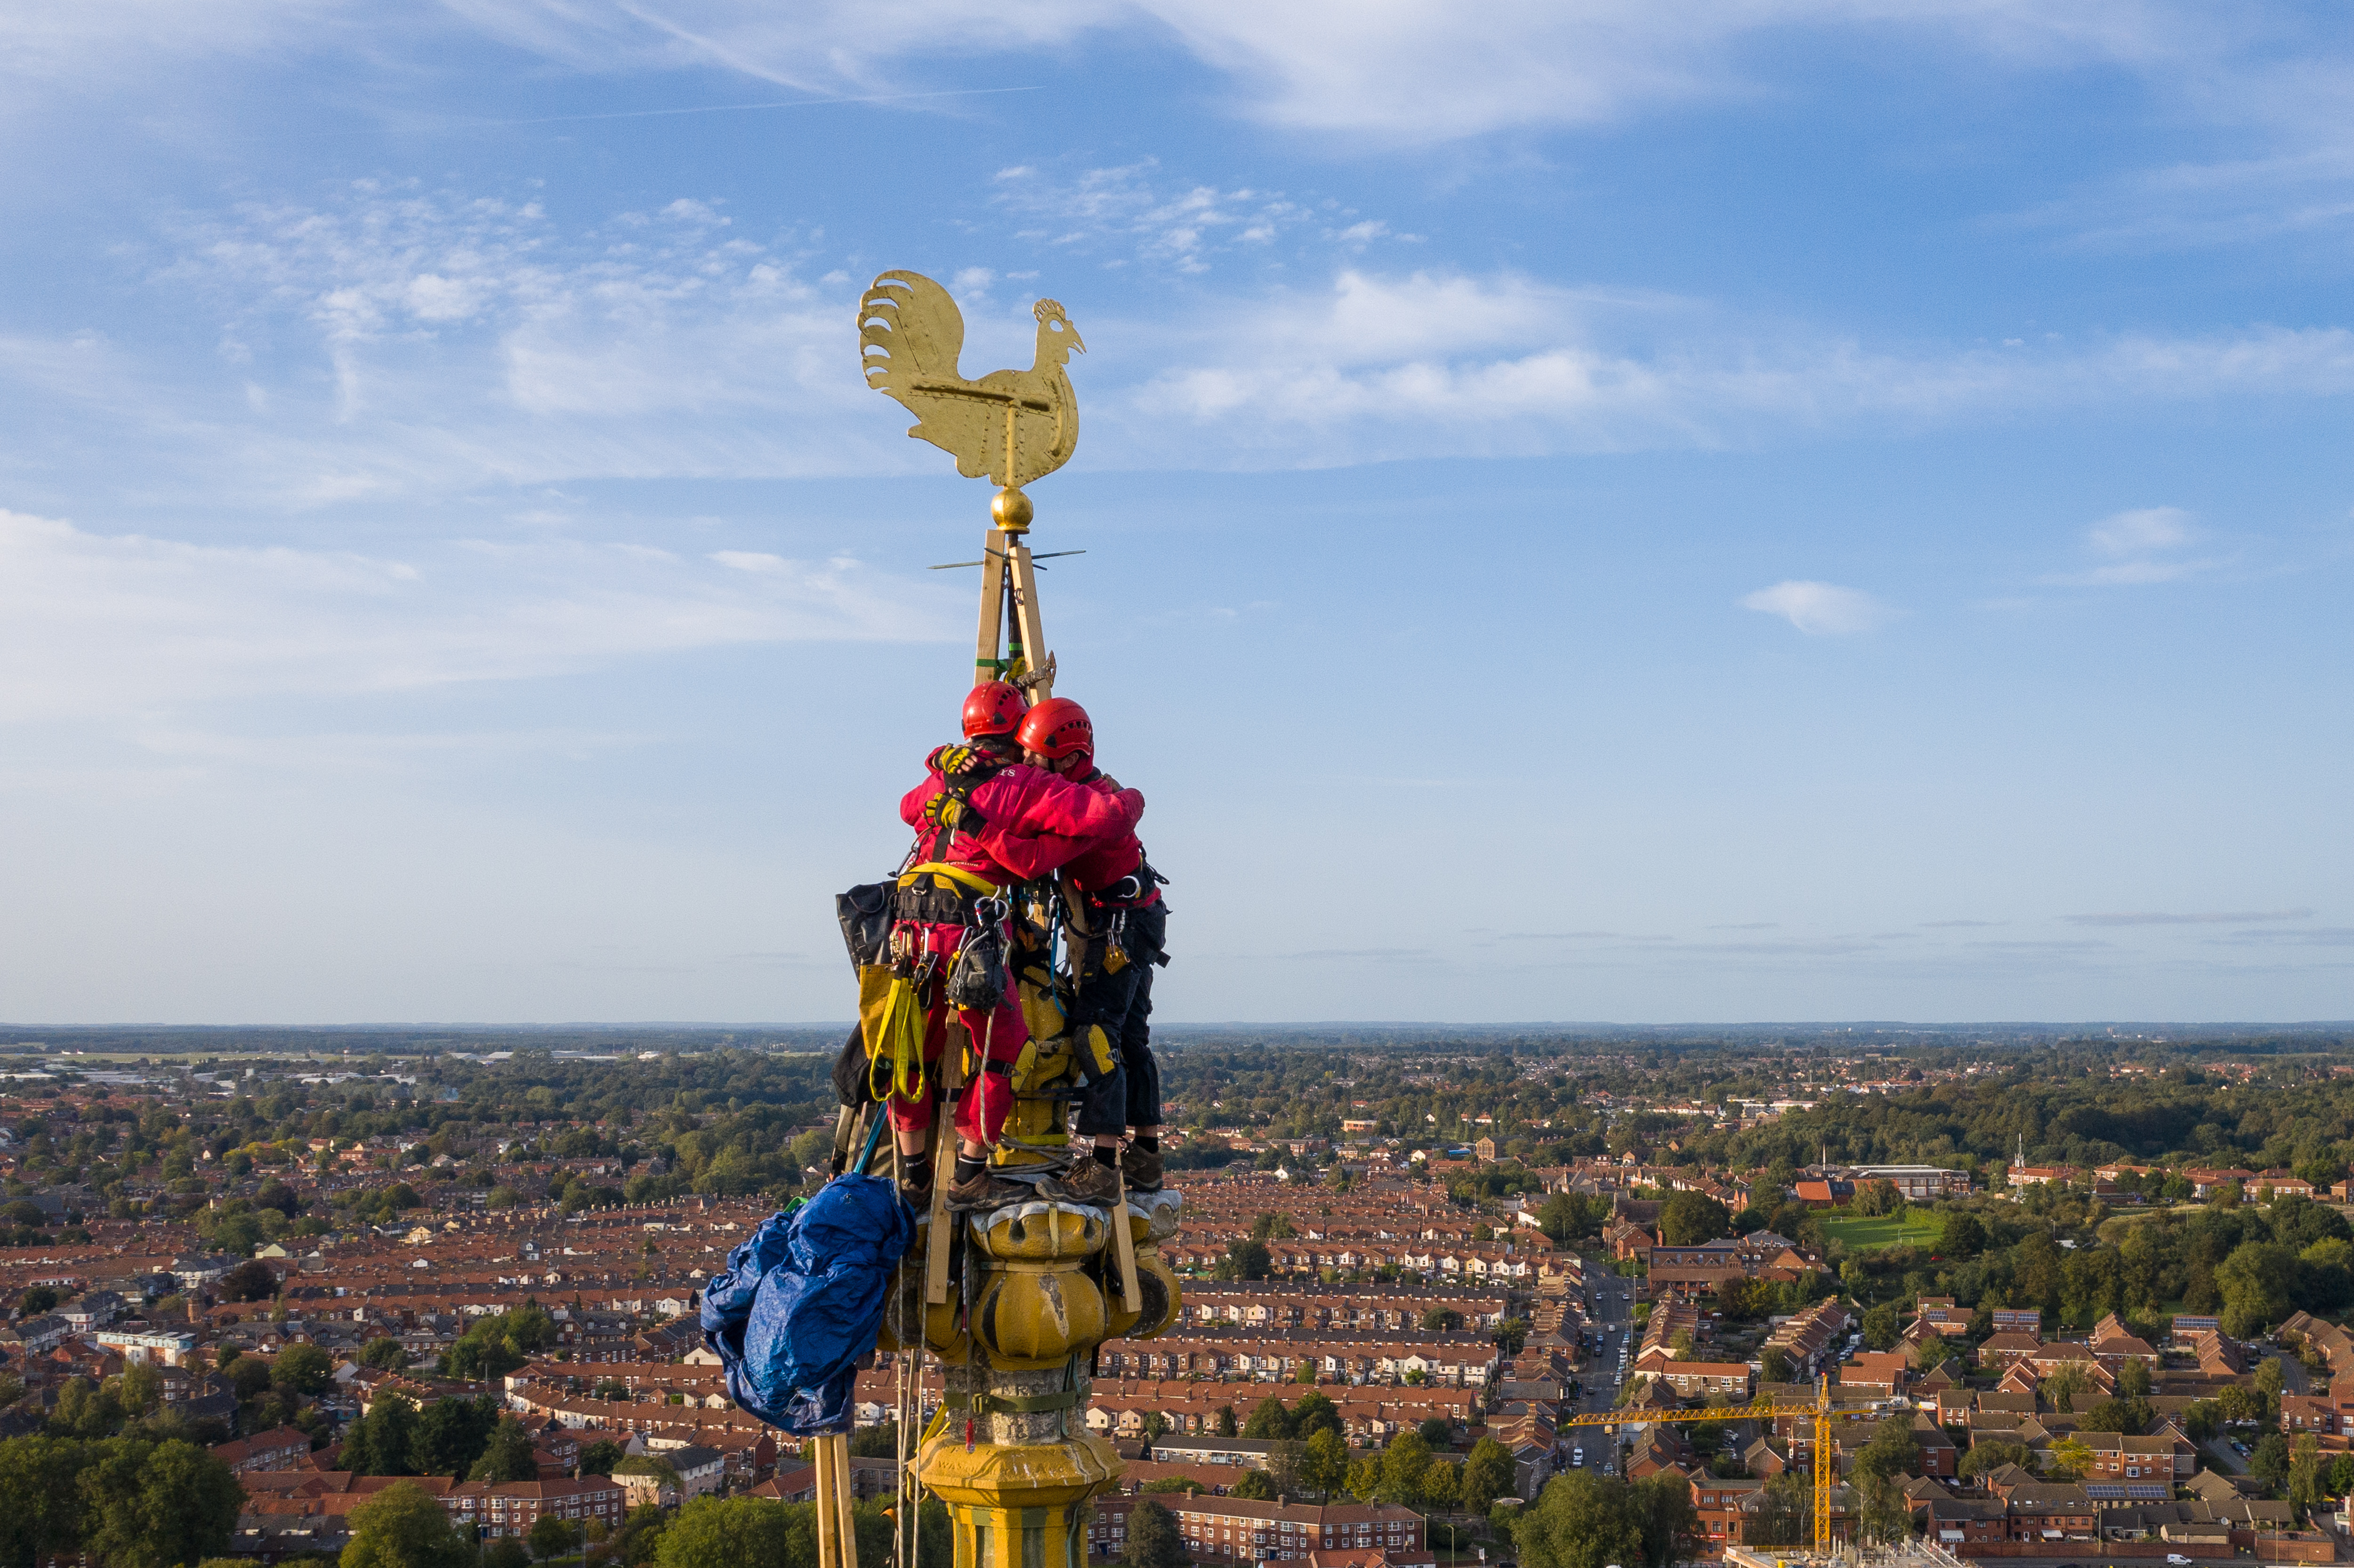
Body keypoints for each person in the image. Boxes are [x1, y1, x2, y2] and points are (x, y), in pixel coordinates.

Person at [886, 681, 1145, 1211]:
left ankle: (912, 1176)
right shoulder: (1020, 782)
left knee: (912, 1050)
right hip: (966, 930)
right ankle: (969, 1175)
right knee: (1003, 1051)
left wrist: (942, 763)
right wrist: (1124, 795)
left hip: (909, 928)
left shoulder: (942, 777)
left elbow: (908, 808)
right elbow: (1110, 818)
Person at [1012, 697, 1169, 1205]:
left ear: (1067, 755)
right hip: (1137, 918)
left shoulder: (1086, 809)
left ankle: (1103, 1165)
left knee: (1096, 1035)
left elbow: (1041, 856)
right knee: (1129, 1038)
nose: (1032, 767)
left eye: (1038, 758)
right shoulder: (1098, 790)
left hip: (1119, 926)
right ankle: (1145, 1157)